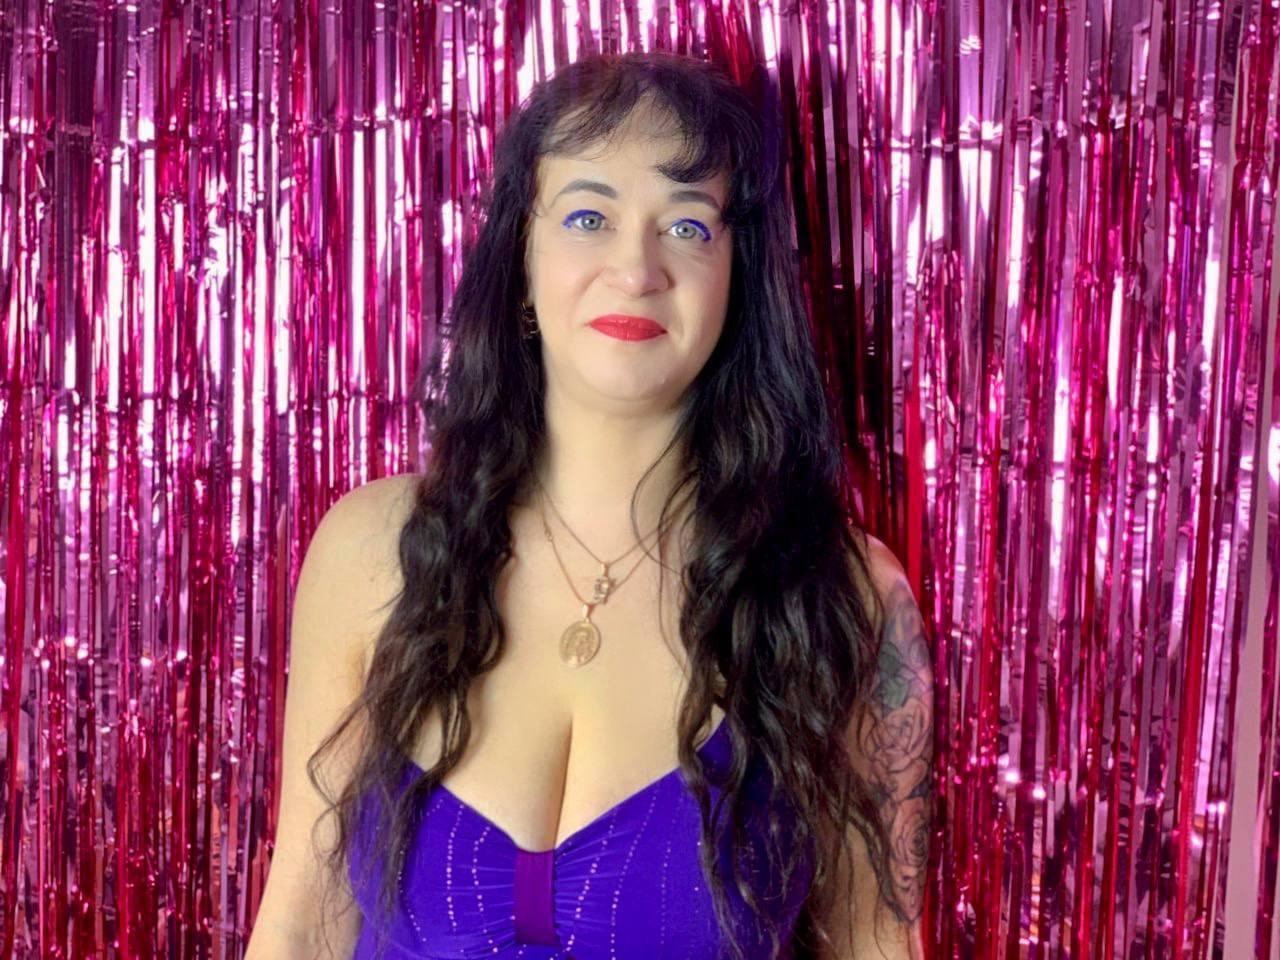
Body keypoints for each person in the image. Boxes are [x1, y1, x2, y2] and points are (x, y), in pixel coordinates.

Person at [246, 50, 933, 960]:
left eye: (686, 225)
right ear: (521, 261)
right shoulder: (370, 551)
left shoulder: (846, 595)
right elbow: (299, 925)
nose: (636, 267)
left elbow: (878, 945)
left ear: (737, 277)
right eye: (587, 216)